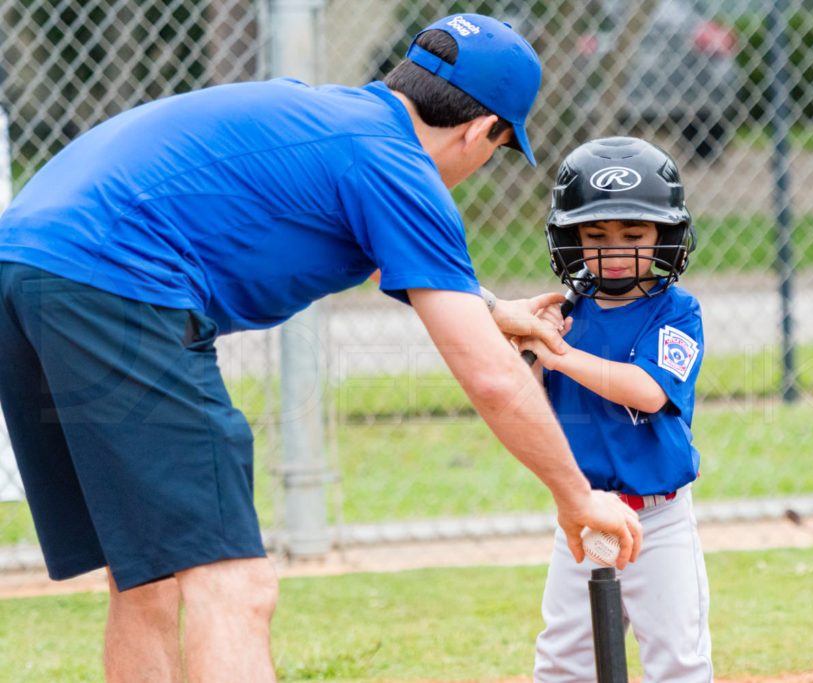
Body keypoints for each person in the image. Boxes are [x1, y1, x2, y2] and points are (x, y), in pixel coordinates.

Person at [0, 15, 642, 682]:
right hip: (118, 283)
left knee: (147, 579)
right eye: (500, 147)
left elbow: (369, 245)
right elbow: (494, 380)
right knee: (234, 582)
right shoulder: (397, 166)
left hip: (22, 266)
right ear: (481, 131)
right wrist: (576, 494)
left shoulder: (335, 121)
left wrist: (492, 309)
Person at [516, 136, 713, 682]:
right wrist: (531, 346)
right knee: (562, 658)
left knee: (678, 657)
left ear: (665, 235)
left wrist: (561, 355)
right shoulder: (564, 315)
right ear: (570, 239)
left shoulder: (677, 312)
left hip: (660, 516)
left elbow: (648, 390)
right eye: (595, 234)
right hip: (584, 512)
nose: (614, 248)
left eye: (634, 233)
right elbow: (523, 399)